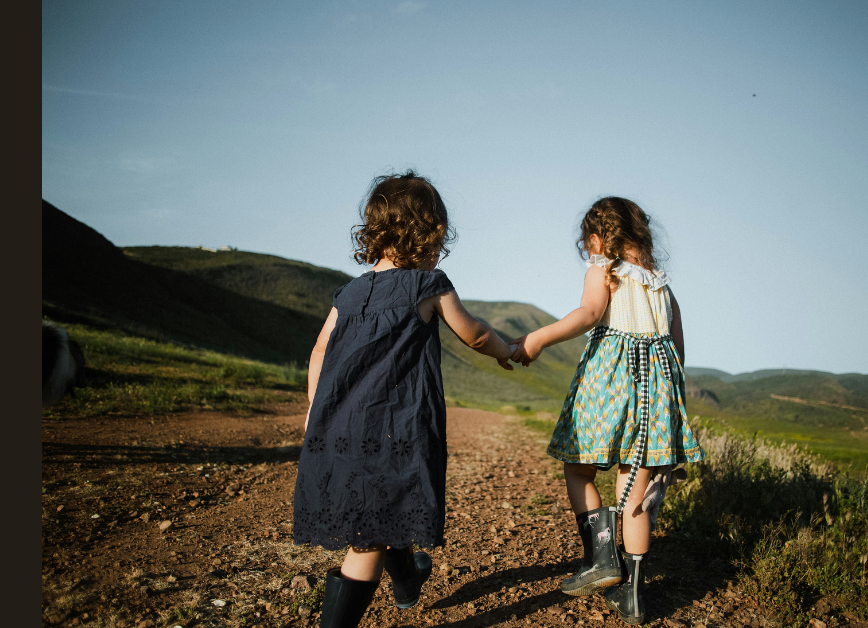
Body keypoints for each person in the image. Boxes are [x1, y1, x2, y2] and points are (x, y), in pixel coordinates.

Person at [292, 171, 517, 628]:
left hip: (337, 424)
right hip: (395, 425)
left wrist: (317, 413)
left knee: (380, 508)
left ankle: (409, 578)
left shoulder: (349, 293)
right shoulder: (427, 284)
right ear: (429, 231)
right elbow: (473, 334)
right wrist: (509, 350)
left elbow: (318, 351)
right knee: (368, 538)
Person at [510, 197, 704, 625]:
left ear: (599, 238)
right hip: (658, 390)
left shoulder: (604, 269)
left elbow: (589, 313)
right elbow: (678, 348)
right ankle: (632, 596)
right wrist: (669, 404)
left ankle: (601, 558)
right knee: (635, 493)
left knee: (579, 467)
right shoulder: (661, 283)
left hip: (610, 382)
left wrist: (537, 339)